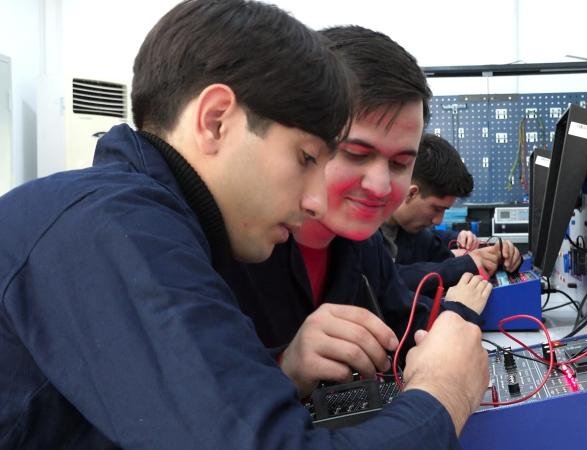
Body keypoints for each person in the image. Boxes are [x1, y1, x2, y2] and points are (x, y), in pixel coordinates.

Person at [0, 2, 487, 448]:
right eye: (306, 158)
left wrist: (279, 370)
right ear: (215, 121)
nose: (316, 199)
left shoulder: (161, 222)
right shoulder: (111, 228)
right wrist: (442, 395)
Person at [227, 26, 492, 401]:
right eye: (355, 153)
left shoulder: (363, 245)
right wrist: (284, 369)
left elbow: (405, 327)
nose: (381, 186)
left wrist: (455, 317)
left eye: (401, 163)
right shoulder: (228, 249)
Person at [381, 133, 522, 296]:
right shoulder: (365, 237)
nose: (438, 220)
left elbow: (440, 250)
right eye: (436, 208)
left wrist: (500, 255)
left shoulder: (414, 233)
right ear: (411, 193)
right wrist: (466, 265)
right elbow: (389, 278)